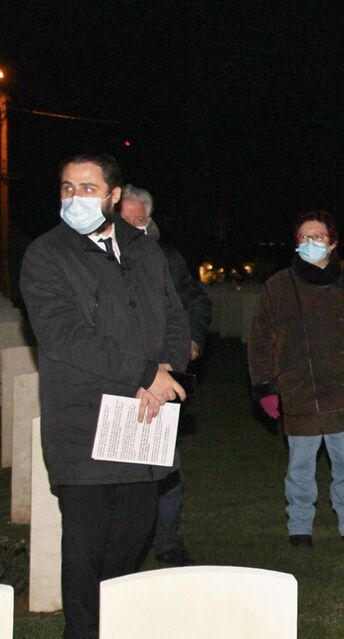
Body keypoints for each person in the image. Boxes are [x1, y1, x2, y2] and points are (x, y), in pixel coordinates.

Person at [20, 154, 189, 639]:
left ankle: (118, 630)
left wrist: (165, 372)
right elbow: (66, 337)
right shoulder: (45, 256)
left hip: (142, 417)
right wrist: (145, 373)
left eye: (88, 188)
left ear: (114, 196)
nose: (75, 197)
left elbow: (175, 318)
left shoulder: (145, 251)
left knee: (133, 535)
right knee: (87, 543)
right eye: (67, 187)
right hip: (84, 420)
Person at [247, 211, 344, 548]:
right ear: (296, 245)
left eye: (319, 237)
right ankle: (300, 526)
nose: (312, 243)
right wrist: (266, 387)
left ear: (333, 242)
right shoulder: (279, 286)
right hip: (298, 390)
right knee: (299, 467)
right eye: (304, 238)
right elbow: (260, 340)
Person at [120, 184, 212, 566]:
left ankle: (167, 542)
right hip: (115, 379)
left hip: (161, 378)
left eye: (138, 222)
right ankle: (123, 548)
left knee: (165, 469)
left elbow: (194, 303)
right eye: (123, 221)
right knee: (118, 475)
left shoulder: (167, 259)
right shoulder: (95, 259)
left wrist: (190, 342)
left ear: (150, 222)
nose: (131, 229)